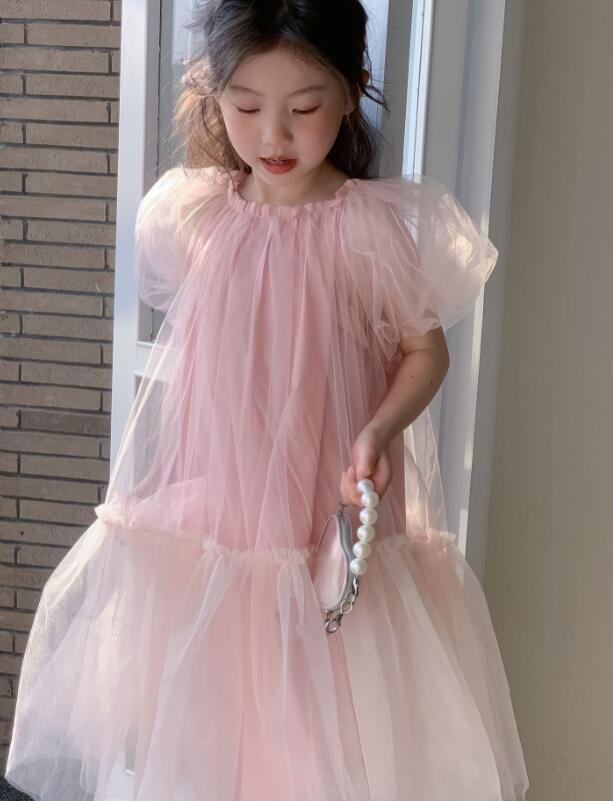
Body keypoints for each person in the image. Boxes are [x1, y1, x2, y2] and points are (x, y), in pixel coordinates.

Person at [4, 1, 530, 799]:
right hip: (221, 515)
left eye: (303, 108)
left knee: (316, 736)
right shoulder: (196, 214)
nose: (273, 136)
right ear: (212, 94)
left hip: (323, 514)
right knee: (214, 729)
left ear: (351, 91)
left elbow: (425, 350)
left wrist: (377, 428)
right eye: (246, 107)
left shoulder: (364, 228)